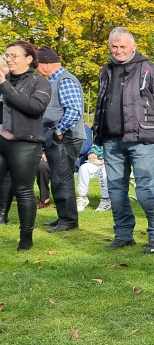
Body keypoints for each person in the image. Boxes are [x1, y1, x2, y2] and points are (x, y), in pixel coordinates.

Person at [93, 27, 154, 253]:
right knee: (116, 190)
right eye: (114, 46)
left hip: (142, 141)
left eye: (122, 46)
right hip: (112, 141)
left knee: (145, 190)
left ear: (133, 46)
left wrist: (153, 132)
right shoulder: (105, 71)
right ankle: (123, 235)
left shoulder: (151, 70)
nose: (118, 50)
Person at [0, 41, 51, 249]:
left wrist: (4, 85)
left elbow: (34, 107)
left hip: (25, 143)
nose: (8, 59)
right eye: (6, 55)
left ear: (29, 59)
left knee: (23, 190)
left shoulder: (40, 83)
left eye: (14, 56)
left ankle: (26, 238)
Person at [34, 46, 86, 233]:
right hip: (60, 137)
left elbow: (73, 110)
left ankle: (69, 221)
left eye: (37, 65)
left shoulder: (65, 80)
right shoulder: (55, 80)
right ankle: (64, 217)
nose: (36, 69)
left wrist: (58, 131)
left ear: (47, 64)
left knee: (62, 178)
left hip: (66, 137)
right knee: (57, 177)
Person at [77, 139, 111, 211]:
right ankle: (82, 197)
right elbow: (95, 146)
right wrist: (92, 153)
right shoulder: (102, 138)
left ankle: (106, 199)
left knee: (103, 170)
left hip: (111, 163)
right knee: (83, 168)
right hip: (97, 162)